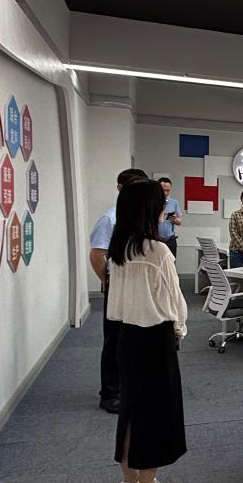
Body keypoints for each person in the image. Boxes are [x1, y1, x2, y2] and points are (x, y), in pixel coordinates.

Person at [106, 178, 187, 483]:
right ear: (149, 209)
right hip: (155, 338)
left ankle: (128, 482)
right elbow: (173, 301)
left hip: (126, 337)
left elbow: (114, 302)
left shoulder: (119, 249)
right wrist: (180, 329)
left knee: (131, 410)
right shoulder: (158, 251)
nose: (163, 210)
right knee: (155, 413)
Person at [89, 168, 148, 414]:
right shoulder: (110, 218)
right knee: (114, 341)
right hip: (118, 288)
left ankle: (127, 386)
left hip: (138, 288)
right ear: (120, 188)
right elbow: (96, 255)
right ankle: (110, 393)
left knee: (133, 340)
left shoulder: (140, 217)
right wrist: (109, 282)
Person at [157, 177, 183, 257]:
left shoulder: (174, 202)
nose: (165, 193)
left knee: (172, 262)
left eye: (168, 190)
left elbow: (180, 221)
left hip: (170, 240)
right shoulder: (152, 202)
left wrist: (174, 219)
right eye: (163, 190)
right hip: (157, 240)